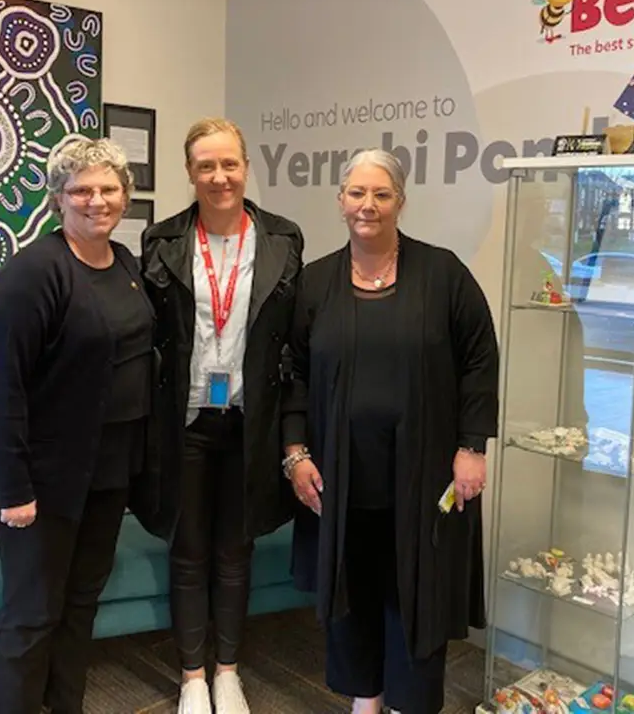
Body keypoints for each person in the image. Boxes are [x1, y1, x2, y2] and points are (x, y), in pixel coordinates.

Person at [282, 149, 499, 714]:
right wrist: (295, 452)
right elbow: (294, 371)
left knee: (415, 593)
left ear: (400, 201)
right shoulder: (316, 282)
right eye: (357, 193)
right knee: (354, 589)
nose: (368, 205)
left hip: (424, 476)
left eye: (381, 194)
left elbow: (480, 359)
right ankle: (365, 699)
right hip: (341, 475)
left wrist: (472, 447)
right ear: (340, 200)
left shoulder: (443, 274)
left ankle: (410, 702)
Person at [0, 138, 155, 714]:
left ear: (124, 196)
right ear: (58, 198)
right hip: (41, 482)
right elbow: (4, 388)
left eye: (108, 188)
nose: (96, 200)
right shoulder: (35, 272)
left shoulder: (125, 263)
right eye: (81, 189)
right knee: (32, 615)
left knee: (81, 606)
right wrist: (16, 488)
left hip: (105, 475)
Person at [139, 117, 303, 714]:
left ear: (246, 167)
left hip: (248, 419)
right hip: (183, 422)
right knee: (188, 550)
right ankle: (191, 677)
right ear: (189, 173)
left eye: (228, 163)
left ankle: (227, 671)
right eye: (205, 165)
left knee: (236, 549)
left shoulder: (284, 238)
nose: (219, 176)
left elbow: (286, 338)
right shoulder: (162, 240)